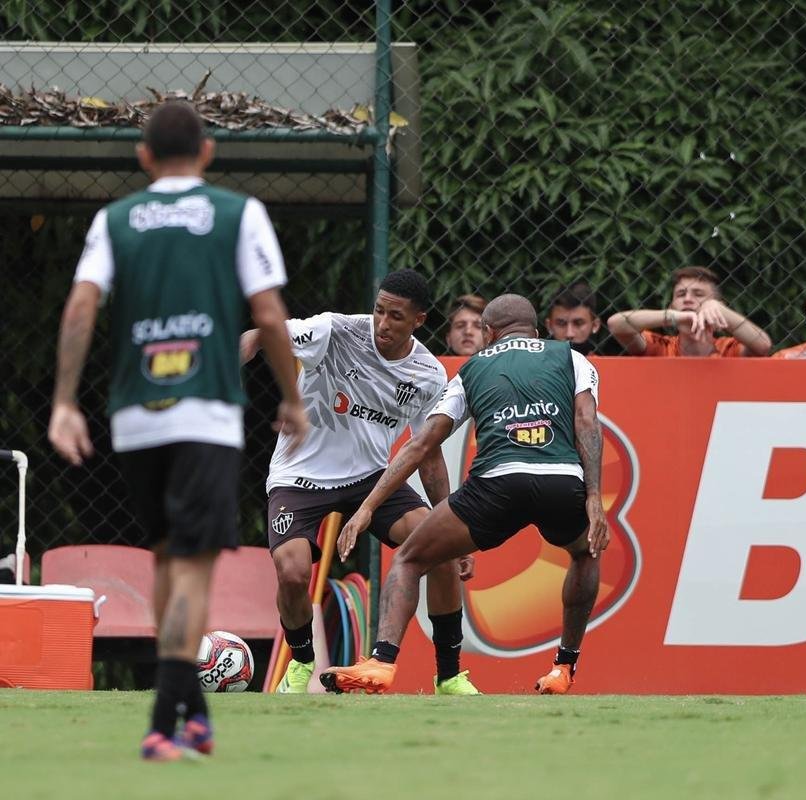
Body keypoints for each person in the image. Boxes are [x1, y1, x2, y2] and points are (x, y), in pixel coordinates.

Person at [47, 101, 308, 762]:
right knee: (191, 566)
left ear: (142, 156)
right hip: (206, 413)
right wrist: (293, 397)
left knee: (168, 560)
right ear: (209, 151)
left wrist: (64, 401)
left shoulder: (117, 219)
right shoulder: (236, 212)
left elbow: (81, 303)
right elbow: (270, 315)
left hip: (136, 418)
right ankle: (166, 719)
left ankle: (190, 712)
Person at [320, 294, 609, 695]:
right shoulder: (572, 358)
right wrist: (593, 496)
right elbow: (586, 422)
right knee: (584, 552)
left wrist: (368, 506)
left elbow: (421, 445)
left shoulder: (472, 369)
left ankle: (382, 662)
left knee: (409, 558)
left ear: (489, 333)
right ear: (538, 331)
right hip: (561, 480)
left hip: (496, 486)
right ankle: (564, 667)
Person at [240, 269, 480, 697]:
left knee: (441, 549)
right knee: (293, 572)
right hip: (299, 476)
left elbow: (426, 454)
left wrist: (451, 521)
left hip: (370, 480)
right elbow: (263, 333)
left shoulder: (427, 374)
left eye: (396, 317)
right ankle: (301, 663)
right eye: (378, 311)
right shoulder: (334, 331)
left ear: (419, 320)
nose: (382, 325)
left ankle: (448, 676)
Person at [607, 266, 772, 357]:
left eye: (698, 294)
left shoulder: (729, 349)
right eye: (681, 294)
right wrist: (671, 316)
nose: (687, 299)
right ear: (672, 307)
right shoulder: (660, 347)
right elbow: (616, 324)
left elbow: (763, 345)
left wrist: (719, 310)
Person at [546, 280, 602, 355]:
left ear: (595, 325)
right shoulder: (537, 365)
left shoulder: (606, 366)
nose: (569, 334)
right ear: (549, 326)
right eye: (561, 324)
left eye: (578, 323)